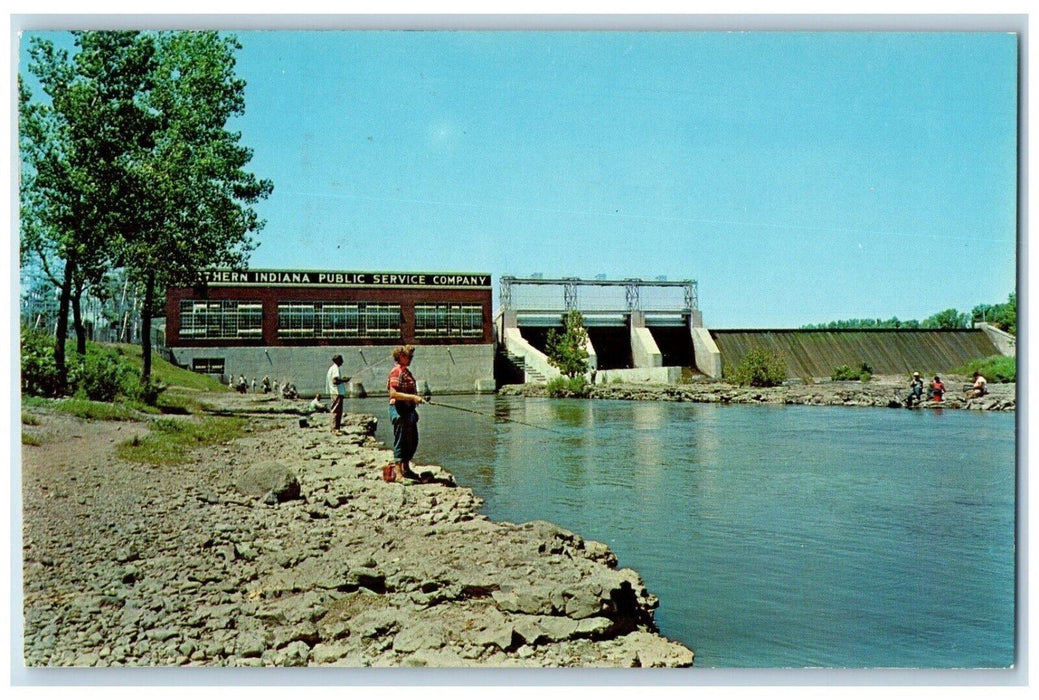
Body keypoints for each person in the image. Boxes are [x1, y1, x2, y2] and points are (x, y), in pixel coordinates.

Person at [387, 344, 425, 482]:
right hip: (399, 410)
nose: (411, 359)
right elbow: (394, 394)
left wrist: (416, 400)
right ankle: (398, 473)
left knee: (412, 441)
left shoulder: (406, 372)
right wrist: (413, 398)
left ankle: (406, 468)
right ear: (401, 357)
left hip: (409, 411)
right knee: (401, 441)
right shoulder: (396, 372)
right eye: (409, 356)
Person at [327, 355, 349, 435]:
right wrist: (344, 380)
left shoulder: (332, 368)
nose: (342, 361)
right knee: (336, 411)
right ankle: (334, 429)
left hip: (335, 393)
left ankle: (336, 428)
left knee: (337, 411)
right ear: (337, 360)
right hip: (336, 393)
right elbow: (335, 381)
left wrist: (343, 379)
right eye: (341, 360)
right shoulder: (335, 368)